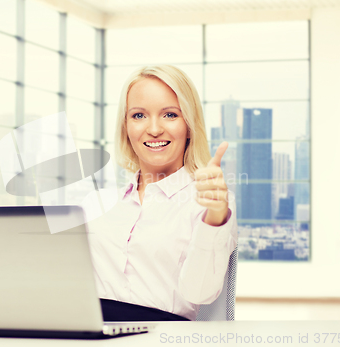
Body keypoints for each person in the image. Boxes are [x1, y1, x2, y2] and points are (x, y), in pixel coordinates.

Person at [80, 65, 238, 321]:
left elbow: (200, 293)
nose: (153, 129)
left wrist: (215, 218)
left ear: (189, 124)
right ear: (126, 126)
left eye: (170, 115)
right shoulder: (96, 203)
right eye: (139, 115)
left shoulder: (209, 203)